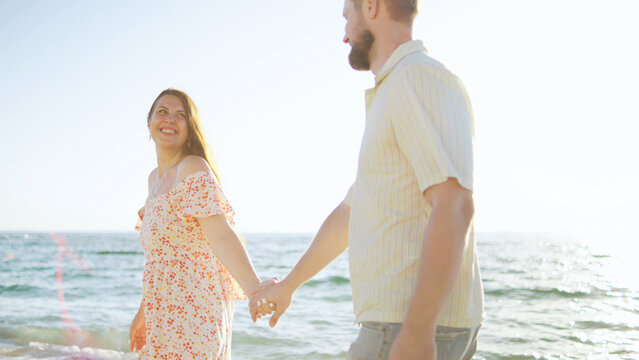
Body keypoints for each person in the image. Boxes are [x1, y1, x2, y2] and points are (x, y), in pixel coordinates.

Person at [250, 1, 484, 359]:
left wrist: (418, 331)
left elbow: (454, 206)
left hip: (407, 327)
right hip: (399, 326)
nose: (344, 33)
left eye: (347, 16)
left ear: (371, 7)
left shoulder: (416, 78)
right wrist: (290, 286)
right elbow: (350, 213)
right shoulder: (396, 90)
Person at [129, 89, 273, 359]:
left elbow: (220, 236)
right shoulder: (153, 180)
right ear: (149, 123)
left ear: (190, 128)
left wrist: (255, 288)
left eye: (180, 115)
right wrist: (144, 311)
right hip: (162, 314)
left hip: (195, 314)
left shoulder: (192, 167)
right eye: (162, 112)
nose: (170, 119)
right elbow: (160, 259)